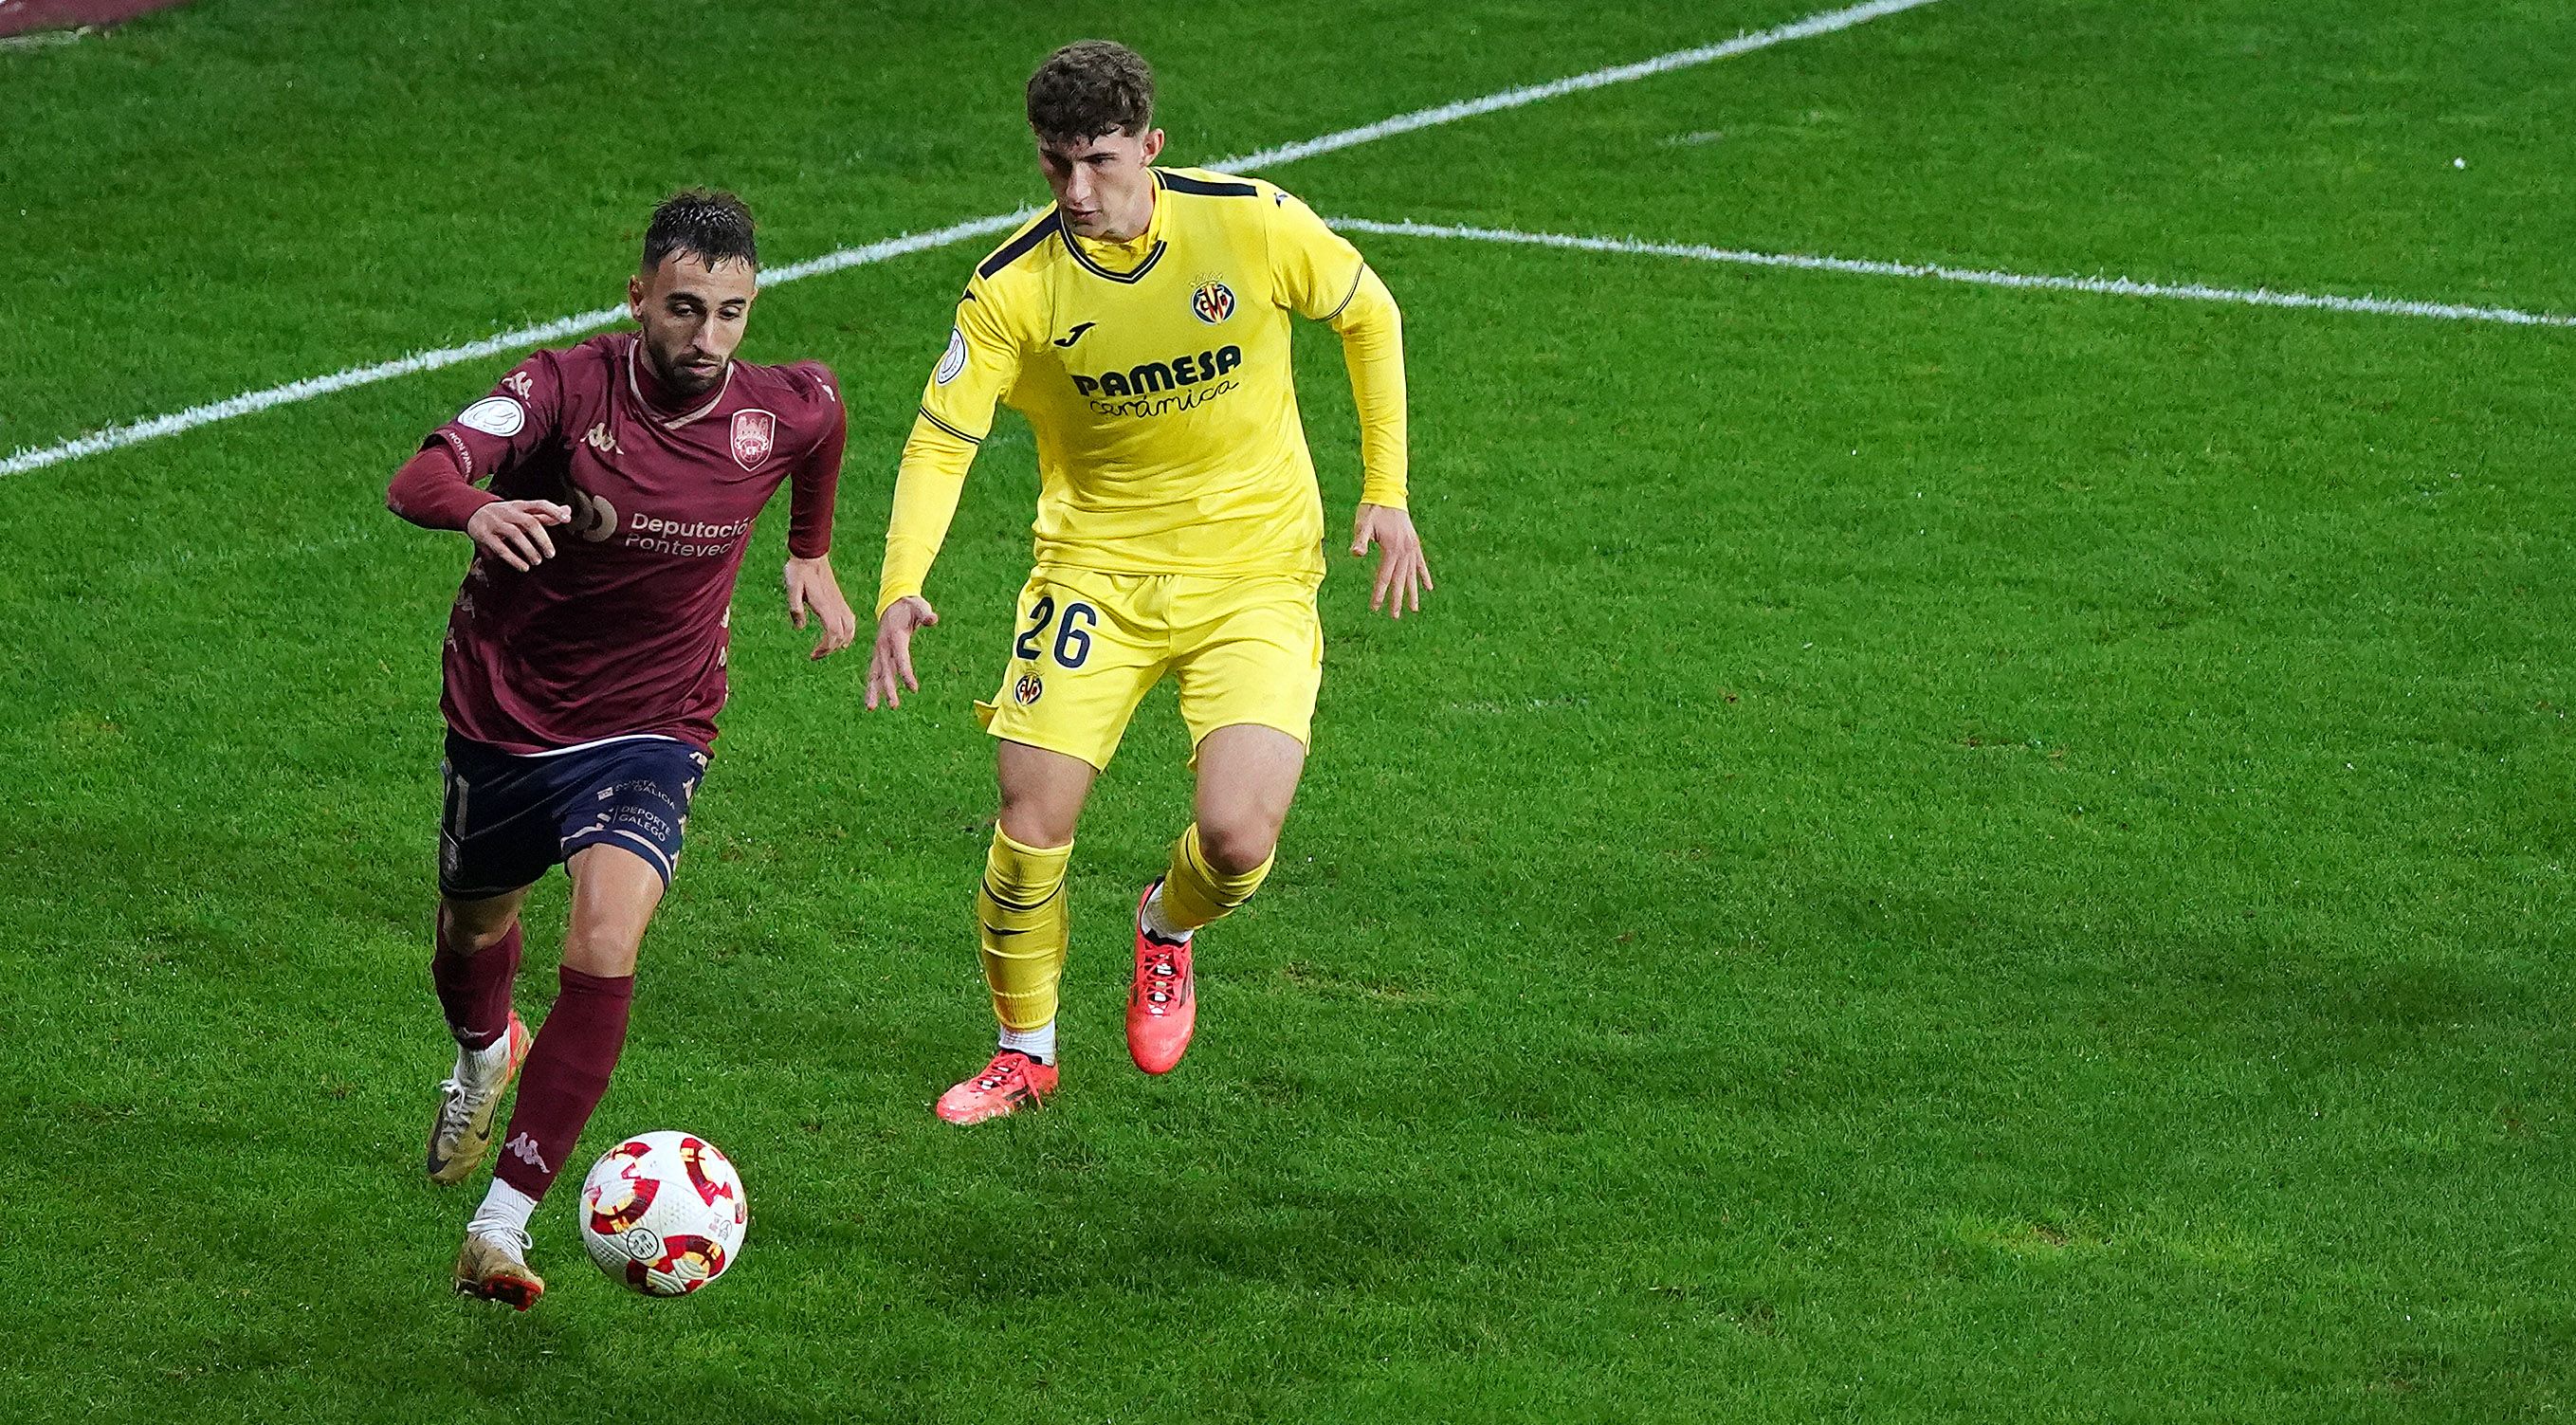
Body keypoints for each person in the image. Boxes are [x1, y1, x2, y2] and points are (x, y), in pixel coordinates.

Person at [865, 40, 1433, 1124]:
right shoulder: (1011, 288)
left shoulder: (1249, 222)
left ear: (1151, 149)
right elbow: (941, 439)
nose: (1077, 191)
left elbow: (1370, 313)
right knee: (1031, 816)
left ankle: (1164, 926)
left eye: (1101, 161)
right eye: (1054, 165)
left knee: (1236, 841)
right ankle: (1023, 1051)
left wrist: (1385, 488)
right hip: (1092, 576)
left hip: (1255, 575)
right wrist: (901, 585)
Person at [384, 189, 857, 1307]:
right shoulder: (559, 389)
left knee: (603, 943)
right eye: (684, 310)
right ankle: (483, 1053)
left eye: (731, 314)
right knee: (470, 930)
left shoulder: (778, 409)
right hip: (505, 712)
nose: (707, 339)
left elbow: (825, 424)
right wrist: (473, 512)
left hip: (654, 727)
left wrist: (811, 552)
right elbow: (423, 470)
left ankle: (502, 1224)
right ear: (636, 295)